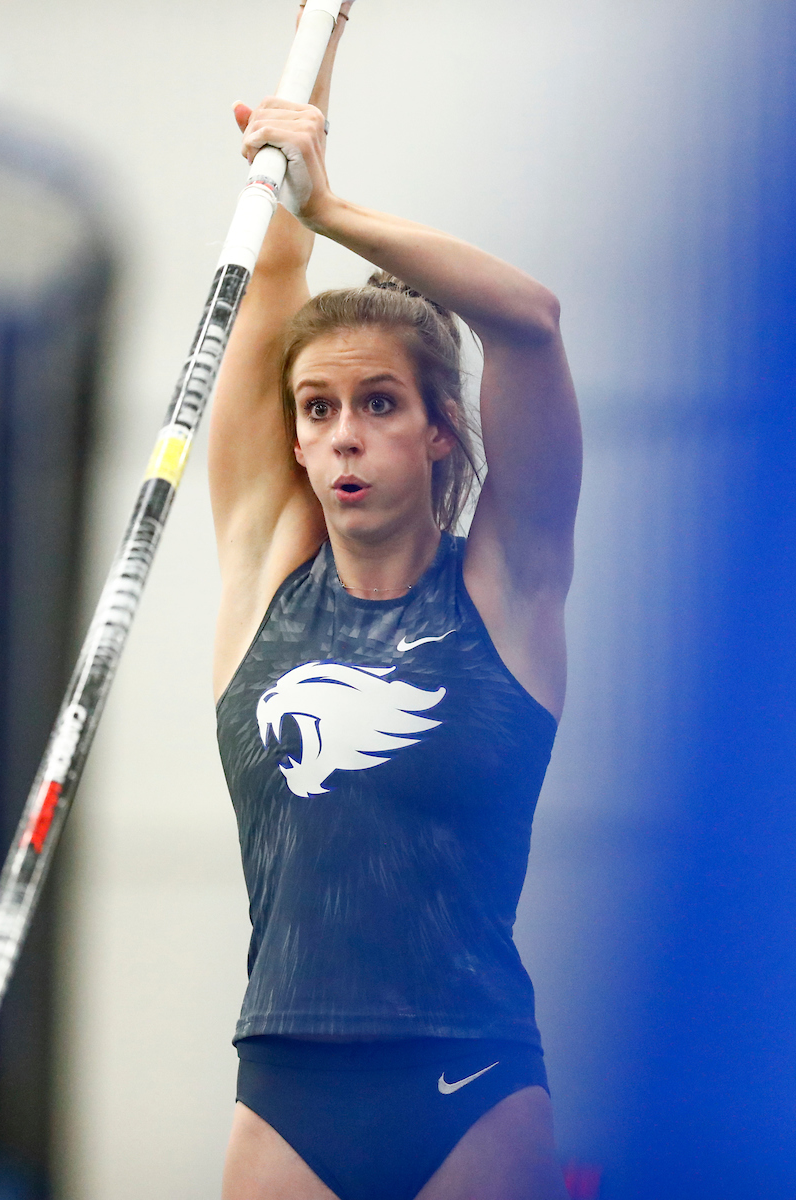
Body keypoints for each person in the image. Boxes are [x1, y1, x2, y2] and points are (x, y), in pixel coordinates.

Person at [211, 5, 581, 1198]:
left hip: (470, 1082)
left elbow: (526, 319)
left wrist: (331, 205)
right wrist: (303, 91)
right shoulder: (264, 568)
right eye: (317, 410)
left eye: (379, 403)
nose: (343, 435)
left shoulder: (506, 586)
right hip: (283, 1087)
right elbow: (274, 262)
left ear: (437, 431)